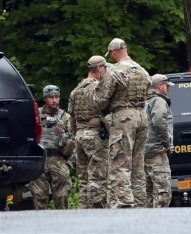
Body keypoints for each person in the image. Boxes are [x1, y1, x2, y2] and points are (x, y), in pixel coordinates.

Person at [94, 38, 151, 208]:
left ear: (114, 52)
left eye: (111, 54)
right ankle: (140, 203)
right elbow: (148, 89)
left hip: (124, 118)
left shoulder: (115, 71)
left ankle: (125, 204)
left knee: (121, 163)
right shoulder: (142, 70)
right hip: (141, 116)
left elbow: (100, 100)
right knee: (138, 163)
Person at [68, 55, 111, 209]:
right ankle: (98, 212)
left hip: (79, 135)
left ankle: (84, 211)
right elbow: (106, 114)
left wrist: (75, 136)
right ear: (100, 69)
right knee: (98, 177)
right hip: (94, 137)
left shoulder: (76, 91)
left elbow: (71, 118)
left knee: (84, 179)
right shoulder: (97, 89)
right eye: (105, 68)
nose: (106, 72)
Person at [30, 85, 73, 209]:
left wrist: (67, 148)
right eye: (51, 97)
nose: (54, 100)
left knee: (62, 197)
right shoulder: (36, 115)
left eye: (56, 97)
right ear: (45, 99)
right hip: (40, 160)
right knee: (39, 197)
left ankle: (63, 223)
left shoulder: (65, 117)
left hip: (58, 160)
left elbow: (73, 140)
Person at [144, 74, 174, 208]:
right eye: (167, 86)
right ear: (159, 86)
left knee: (147, 193)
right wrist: (166, 143)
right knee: (163, 192)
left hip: (143, 151)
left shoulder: (142, 102)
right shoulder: (158, 101)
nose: (169, 89)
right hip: (157, 151)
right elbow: (159, 121)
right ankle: (160, 223)